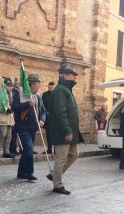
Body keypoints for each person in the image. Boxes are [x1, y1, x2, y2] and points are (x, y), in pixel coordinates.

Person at [47, 63, 83, 195]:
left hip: (71, 130)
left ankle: (55, 174)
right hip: (63, 131)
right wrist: (67, 130)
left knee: (74, 155)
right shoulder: (61, 90)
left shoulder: (66, 89)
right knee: (61, 158)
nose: (74, 78)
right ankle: (57, 185)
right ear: (66, 75)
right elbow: (60, 112)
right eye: (73, 75)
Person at [12, 74, 46, 181]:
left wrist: (42, 119)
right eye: (37, 83)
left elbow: (43, 110)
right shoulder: (20, 95)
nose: (38, 86)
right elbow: (14, 107)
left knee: (27, 150)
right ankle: (29, 172)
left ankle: (21, 173)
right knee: (29, 148)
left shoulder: (38, 96)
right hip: (22, 126)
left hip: (33, 127)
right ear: (31, 84)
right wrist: (28, 104)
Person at [42, 81, 55, 154]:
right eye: (50, 88)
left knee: (55, 134)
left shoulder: (57, 94)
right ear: (48, 87)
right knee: (48, 134)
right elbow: (42, 105)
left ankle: (56, 150)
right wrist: (46, 111)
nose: (51, 89)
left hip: (55, 118)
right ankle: (49, 149)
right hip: (48, 117)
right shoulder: (45, 94)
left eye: (52, 88)